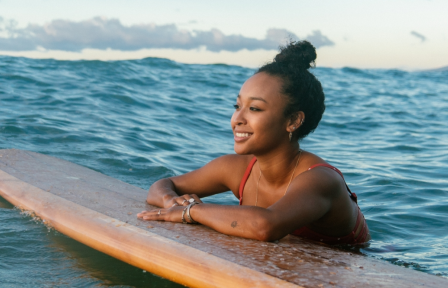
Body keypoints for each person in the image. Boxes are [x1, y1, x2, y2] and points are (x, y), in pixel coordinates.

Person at [137, 40, 370, 245]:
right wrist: (171, 201)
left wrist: (190, 212)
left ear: (293, 121)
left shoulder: (321, 180)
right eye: (237, 106)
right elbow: (162, 185)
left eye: (255, 108)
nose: (237, 119)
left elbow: (265, 227)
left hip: (353, 276)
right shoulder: (237, 168)